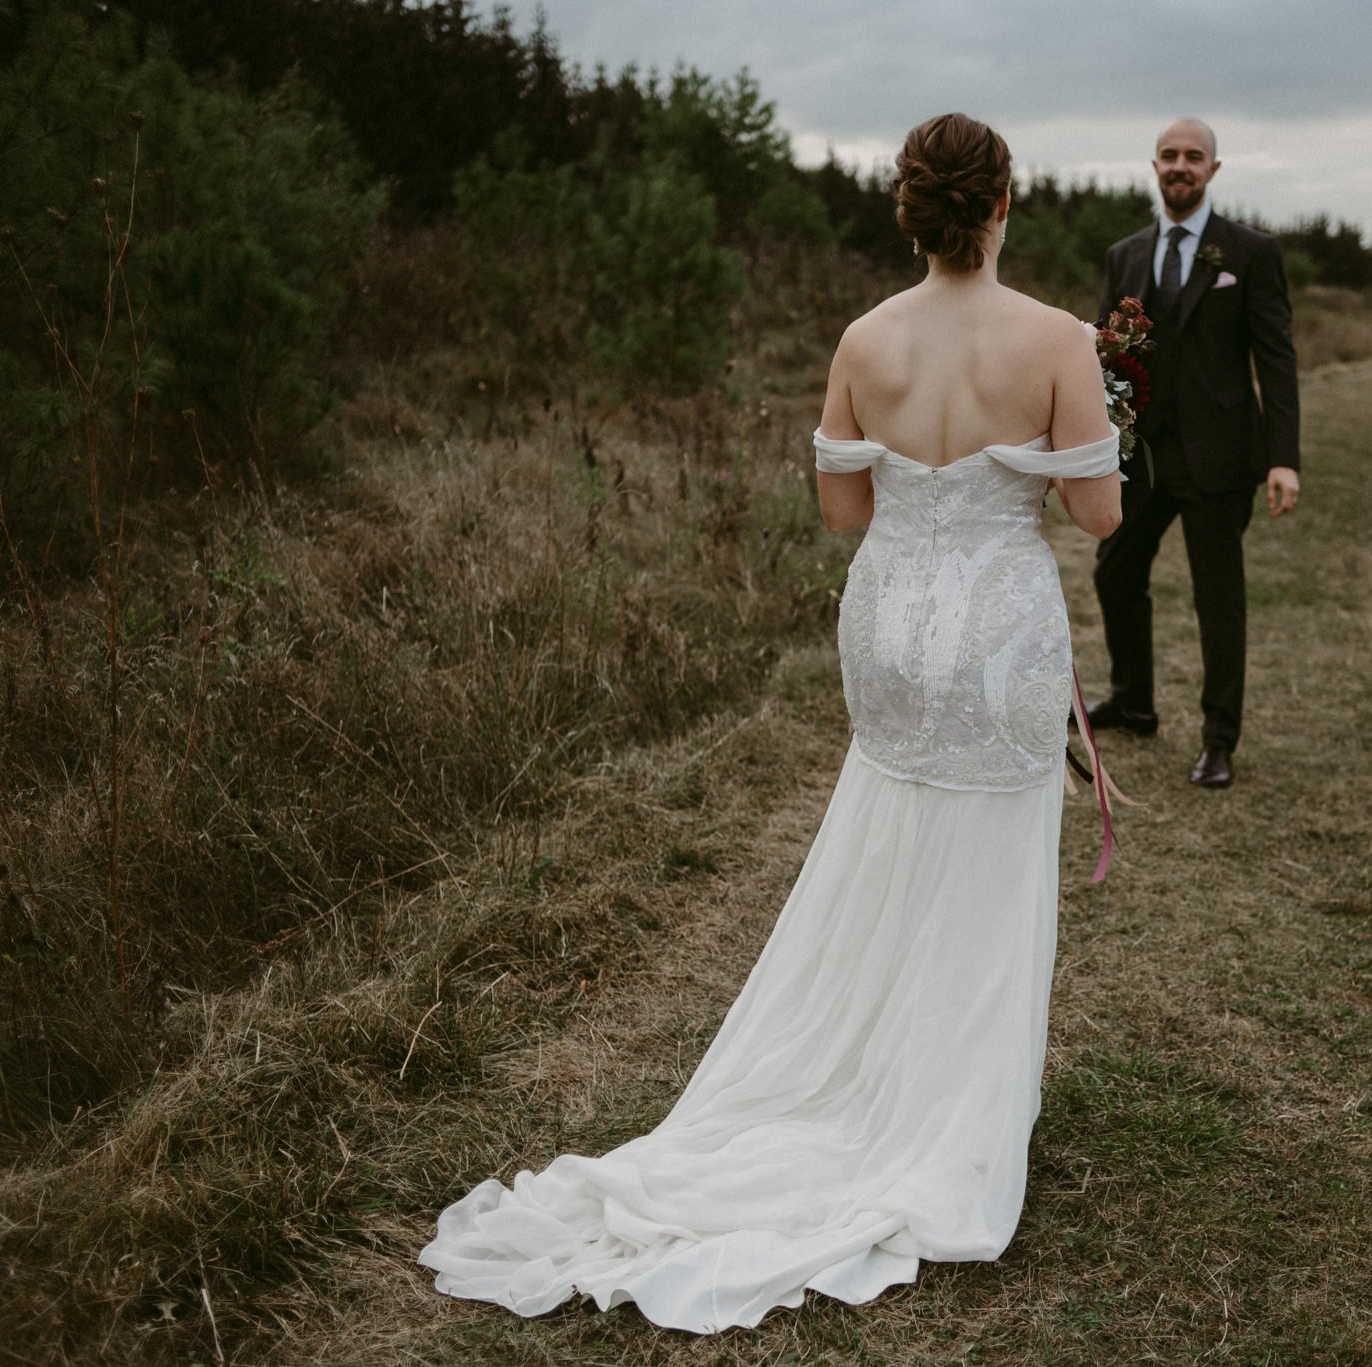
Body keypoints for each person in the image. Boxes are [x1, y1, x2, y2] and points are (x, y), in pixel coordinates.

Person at [417, 112, 1122, 1334]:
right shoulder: (1059, 338)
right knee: (986, 864)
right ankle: (945, 1113)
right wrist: (1090, 427)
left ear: (909, 210)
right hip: (1000, 634)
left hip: (888, 629)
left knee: (885, 841)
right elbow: (1099, 517)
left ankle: (862, 1085)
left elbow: (844, 512)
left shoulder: (863, 338)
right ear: (1004, 203)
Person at [1088, 117, 1302, 789]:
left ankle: (1218, 740)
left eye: (1193, 157)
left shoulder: (1250, 252)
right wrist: (1095, 441)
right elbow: (1105, 358)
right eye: (1169, 156)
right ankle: (1133, 700)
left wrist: (1283, 456)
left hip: (1219, 458)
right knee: (1114, 571)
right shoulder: (1125, 255)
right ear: (1154, 166)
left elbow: (1277, 358)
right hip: (1143, 458)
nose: (1181, 165)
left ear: (1213, 169)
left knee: (1219, 598)